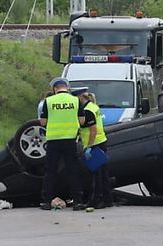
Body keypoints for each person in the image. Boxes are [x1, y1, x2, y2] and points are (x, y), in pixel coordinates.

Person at [38, 78, 96, 211]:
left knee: (50, 171)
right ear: (67, 88)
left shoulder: (49, 101)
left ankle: (47, 201)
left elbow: (42, 122)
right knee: (72, 171)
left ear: (55, 89)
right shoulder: (75, 101)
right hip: (70, 140)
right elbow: (82, 121)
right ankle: (77, 201)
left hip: (53, 140)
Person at [80, 90, 114, 209]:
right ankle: (108, 199)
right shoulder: (93, 106)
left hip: (95, 144)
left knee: (97, 175)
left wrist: (89, 146)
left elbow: (92, 130)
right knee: (103, 173)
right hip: (101, 141)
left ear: (80, 97)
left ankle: (96, 200)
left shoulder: (87, 110)